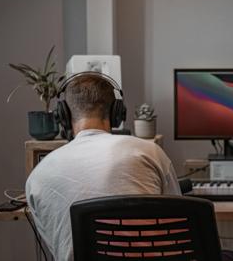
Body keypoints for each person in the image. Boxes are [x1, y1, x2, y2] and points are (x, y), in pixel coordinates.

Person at [25, 73, 180, 261]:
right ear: (117, 112)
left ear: (63, 115)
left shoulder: (38, 176)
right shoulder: (149, 152)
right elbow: (180, 221)